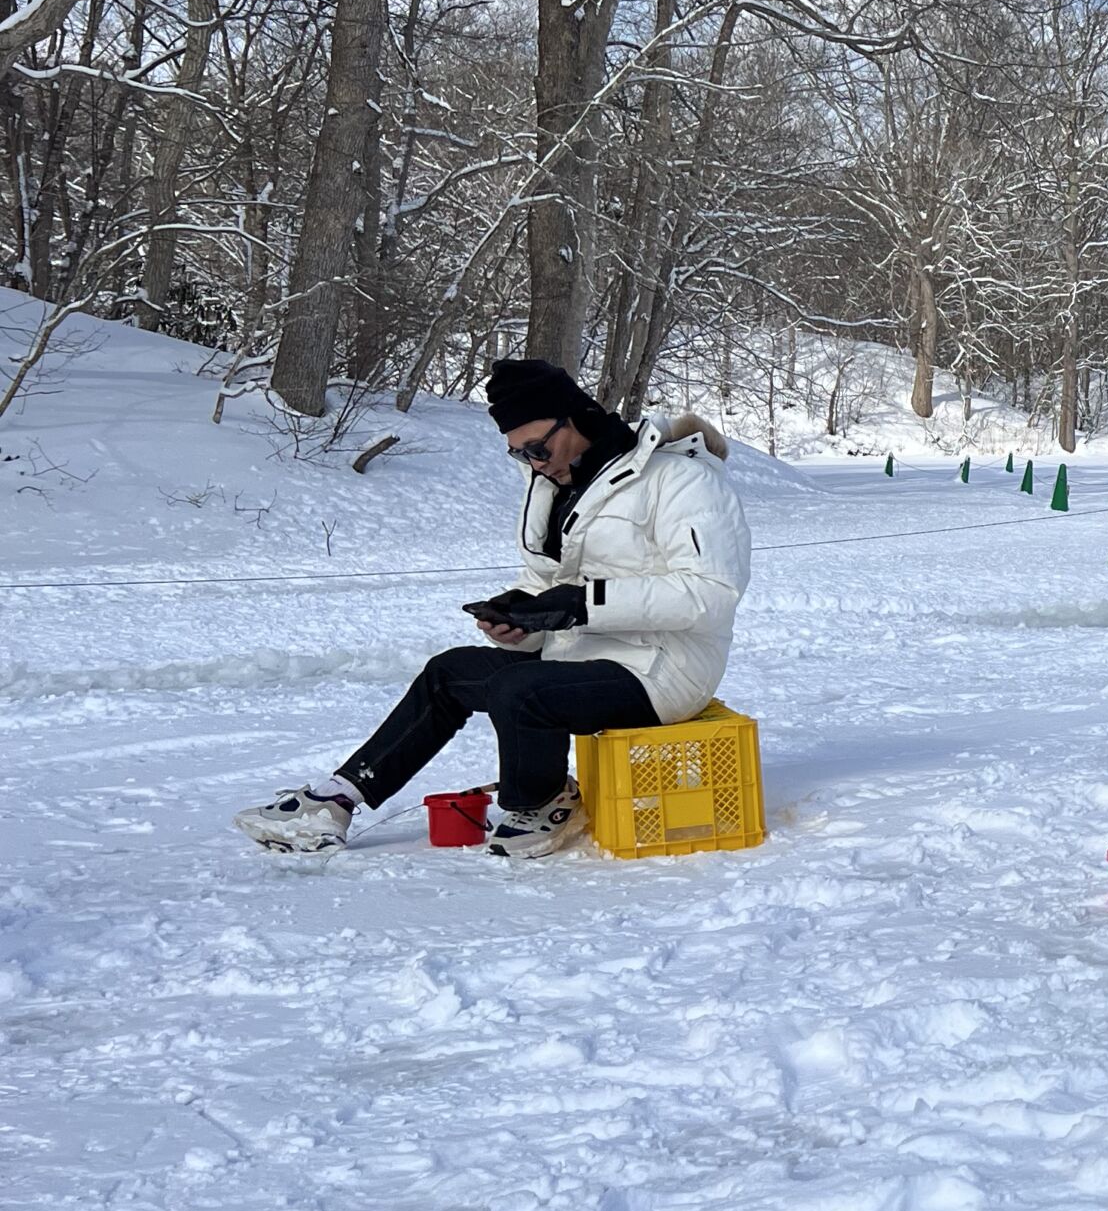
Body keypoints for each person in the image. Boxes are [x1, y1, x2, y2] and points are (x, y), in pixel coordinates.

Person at [235, 358, 751, 859]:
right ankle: (338, 800)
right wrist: (520, 620)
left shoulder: (681, 480)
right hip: (583, 654)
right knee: (449, 672)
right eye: (518, 454)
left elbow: (711, 593)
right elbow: (547, 580)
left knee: (519, 690)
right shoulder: (554, 483)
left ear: (573, 417)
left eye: (536, 448)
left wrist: (580, 605)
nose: (532, 462)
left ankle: (545, 803)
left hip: (664, 668)